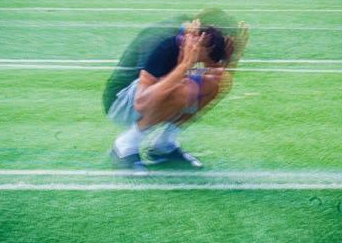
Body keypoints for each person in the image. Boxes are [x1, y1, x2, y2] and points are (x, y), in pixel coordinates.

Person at [102, 9, 248, 170]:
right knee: (185, 89)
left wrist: (233, 58)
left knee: (214, 81)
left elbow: (218, 77)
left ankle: (163, 144)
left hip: (151, 92)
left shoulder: (191, 38)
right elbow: (141, 102)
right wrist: (185, 65)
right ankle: (125, 144)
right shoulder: (162, 39)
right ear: (204, 38)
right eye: (216, 50)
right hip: (121, 103)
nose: (216, 57)